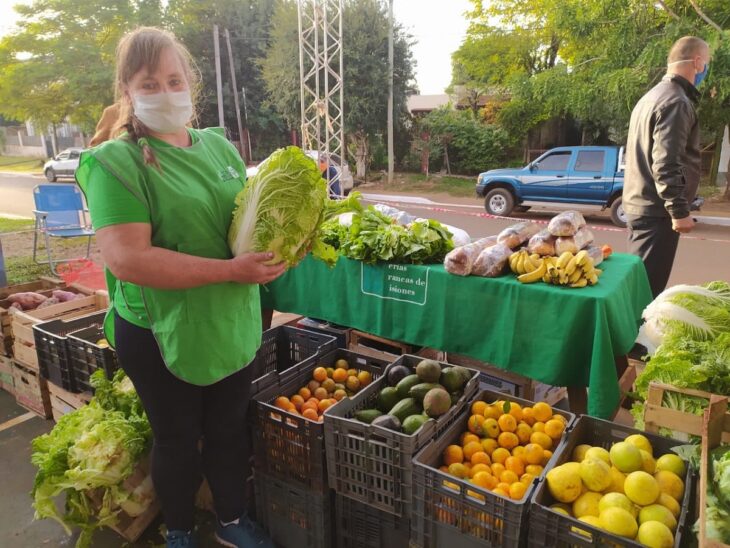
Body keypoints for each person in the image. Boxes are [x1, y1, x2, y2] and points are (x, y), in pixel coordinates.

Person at [75, 27, 285, 548]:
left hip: (232, 318)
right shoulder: (113, 162)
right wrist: (231, 272)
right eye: (151, 82)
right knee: (175, 439)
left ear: (190, 82)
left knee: (229, 431)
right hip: (159, 332)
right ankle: (180, 531)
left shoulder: (217, 146)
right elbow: (129, 259)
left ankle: (232, 521)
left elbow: (243, 221)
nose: (166, 92)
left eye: (175, 79)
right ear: (127, 90)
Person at [623, 36, 710, 298]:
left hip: (642, 204)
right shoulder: (676, 102)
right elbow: (666, 162)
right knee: (644, 293)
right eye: (706, 63)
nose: (706, 69)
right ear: (697, 62)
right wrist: (678, 210)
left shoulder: (651, 96)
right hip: (657, 212)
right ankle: (632, 340)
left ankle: (630, 337)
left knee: (638, 285)